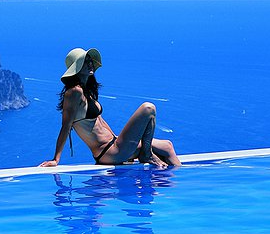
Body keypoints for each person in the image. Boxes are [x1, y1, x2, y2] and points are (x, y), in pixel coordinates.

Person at [39, 47, 181, 168]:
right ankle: (146, 154)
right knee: (148, 108)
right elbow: (66, 126)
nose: (90, 64)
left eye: (90, 61)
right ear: (76, 68)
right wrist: (56, 159)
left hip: (115, 144)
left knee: (167, 146)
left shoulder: (86, 91)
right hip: (108, 152)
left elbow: (99, 122)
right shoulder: (74, 92)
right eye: (85, 62)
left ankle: (177, 187)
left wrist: (120, 140)